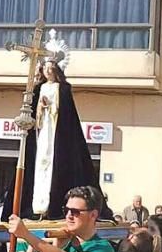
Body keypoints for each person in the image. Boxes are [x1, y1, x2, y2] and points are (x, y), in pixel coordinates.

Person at [7, 57, 111, 220]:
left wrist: (51, 106)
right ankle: (38, 207)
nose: (48, 71)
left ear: (56, 70)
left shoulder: (62, 89)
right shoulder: (38, 88)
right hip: (42, 132)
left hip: (57, 133)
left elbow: (66, 115)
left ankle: (53, 207)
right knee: (39, 168)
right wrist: (40, 107)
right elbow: (34, 113)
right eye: (45, 68)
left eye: (51, 68)